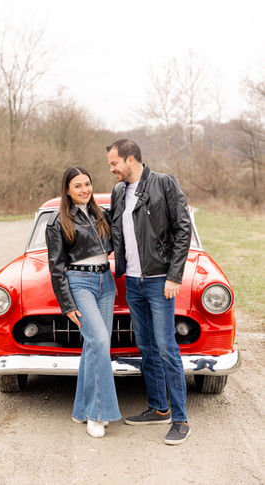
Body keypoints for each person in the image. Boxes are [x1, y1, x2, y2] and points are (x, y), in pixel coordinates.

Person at [106, 139, 192, 445]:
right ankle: (159, 408)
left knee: (166, 347)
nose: (112, 170)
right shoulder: (118, 192)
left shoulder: (165, 184)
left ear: (131, 159)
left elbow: (184, 230)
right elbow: (112, 232)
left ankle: (180, 419)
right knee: (145, 346)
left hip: (159, 281)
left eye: (115, 163)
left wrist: (174, 276)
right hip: (132, 281)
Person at [45, 166, 121, 438]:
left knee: (94, 346)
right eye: (77, 185)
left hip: (106, 282)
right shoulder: (57, 221)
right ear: (67, 189)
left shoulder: (101, 213)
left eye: (87, 184)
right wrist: (67, 304)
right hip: (79, 282)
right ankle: (98, 414)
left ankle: (80, 410)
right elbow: (56, 267)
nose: (84, 189)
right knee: (100, 341)